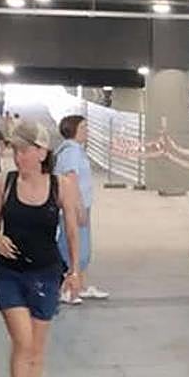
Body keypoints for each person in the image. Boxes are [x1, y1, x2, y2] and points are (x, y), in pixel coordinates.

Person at [0, 121, 82, 377]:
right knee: (23, 340)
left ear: (42, 152)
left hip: (46, 272)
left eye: (25, 150)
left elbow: (71, 229)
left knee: (36, 348)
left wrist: (75, 270)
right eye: (15, 150)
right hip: (9, 272)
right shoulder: (4, 181)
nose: (19, 157)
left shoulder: (61, 186)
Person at [53, 115, 108, 303]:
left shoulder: (74, 150)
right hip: (75, 207)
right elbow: (71, 180)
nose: (87, 131)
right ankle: (67, 288)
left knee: (82, 247)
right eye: (83, 127)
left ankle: (80, 285)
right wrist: (78, 207)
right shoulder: (71, 152)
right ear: (72, 129)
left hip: (80, 204)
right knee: (75, 248)